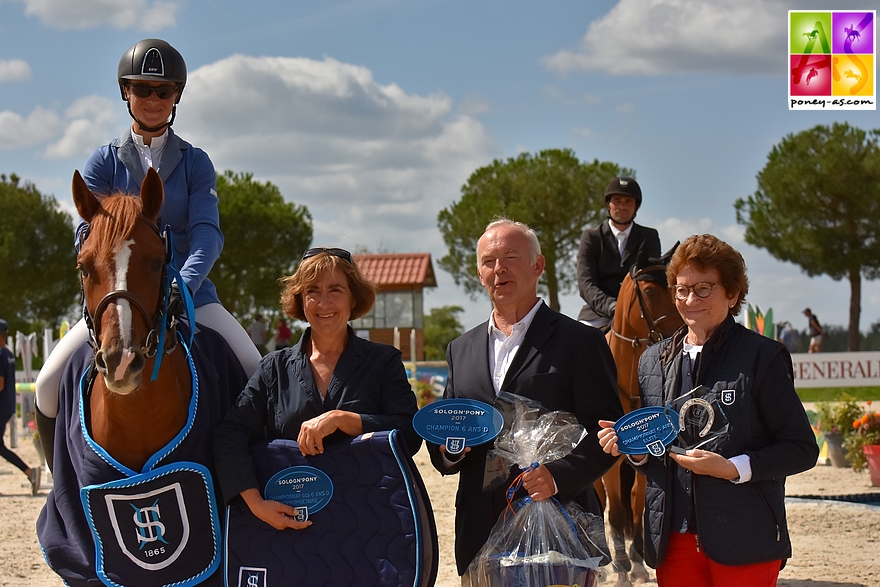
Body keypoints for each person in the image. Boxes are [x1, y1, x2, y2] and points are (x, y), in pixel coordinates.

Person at [35, 39, 262, 421]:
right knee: (46, 385)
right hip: (119, 294)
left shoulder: (196, 162)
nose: (153, 98)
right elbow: (85, 233)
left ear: (176, 96)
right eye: (142, 88)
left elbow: (208, 235)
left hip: (191, 296)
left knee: (256, 370)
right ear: (126, 91)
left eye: (164, 90)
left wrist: (182, 286)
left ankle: (256, 473)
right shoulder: (103, 161)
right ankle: (62, 479)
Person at [597, 234, 819, 587]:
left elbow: (802, 449)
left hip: (744, 537)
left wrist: (733, 469)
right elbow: (659, 455)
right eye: (681, 290)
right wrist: (635, 452)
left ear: (732, 294)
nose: (689, 300)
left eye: (704, 289)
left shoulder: (763, 357)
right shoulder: (651, 362)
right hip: (672, 542)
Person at [428, 218, 623, 577]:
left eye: (510, 257)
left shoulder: (581, 342)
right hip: (479, 533)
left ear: (538, 265)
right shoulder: (461, 348)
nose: (498, 269)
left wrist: (559, 476)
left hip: (559, 528)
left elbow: (607, 435)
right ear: (479, 274)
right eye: (488, 261)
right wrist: (449, 450)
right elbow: (445, 438)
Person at [213, 247, 422, 531]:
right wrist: (255, 503)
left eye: (335, 290)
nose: (324, 303)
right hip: (292, 526)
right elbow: (229, 434)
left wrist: (343, 419)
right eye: (313, 291)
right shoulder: (273, 368)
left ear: (353, 298)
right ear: (300, 300)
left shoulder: (384, 362)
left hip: (369, 520)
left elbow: (409, 433)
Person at [577, 176, 661, 332]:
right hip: (598, 313)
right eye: (617, 200)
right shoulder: (591, 237)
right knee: (576, 344)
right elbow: (586, 283)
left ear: (636, 206)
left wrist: (631, 307)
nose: (622, 206)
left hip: (639, 311)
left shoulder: (649, 236)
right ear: (608, 205)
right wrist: (611, 306)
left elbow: (652, 278)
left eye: (628, 201)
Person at [0, 319, 39, 495]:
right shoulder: (8, 354)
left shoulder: (0, 354)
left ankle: (30, 473)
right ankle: (29, 473)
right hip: (7, 405)